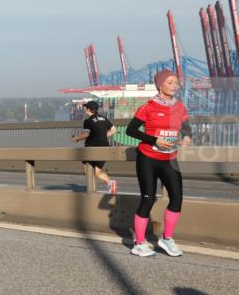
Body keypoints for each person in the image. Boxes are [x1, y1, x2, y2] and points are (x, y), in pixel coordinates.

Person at [125, 70, 192, 257]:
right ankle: (139, 243)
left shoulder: (179, 107)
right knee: (148, 199)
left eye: (176, 83)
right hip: (148, 158)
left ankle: (167, 239)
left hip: (169, 159)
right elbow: (131, 130)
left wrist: (187, 136)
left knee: (177, 198)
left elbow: (186, 126)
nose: (174, 85)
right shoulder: (149, 106)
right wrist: (154, 140)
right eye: (170, 82)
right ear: (160, 85)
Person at [73, 100, 117, 194]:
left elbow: (86, 134)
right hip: (105, 148)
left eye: (86, 108)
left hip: (91, 149)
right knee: (97, 171)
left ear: (88, 109)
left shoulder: (88, 121)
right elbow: (114, 130)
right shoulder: (104, 119)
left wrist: (76, 138)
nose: (85, 109)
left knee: (87, 168)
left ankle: (91, 190)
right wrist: (103, 136)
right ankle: (110, 183)